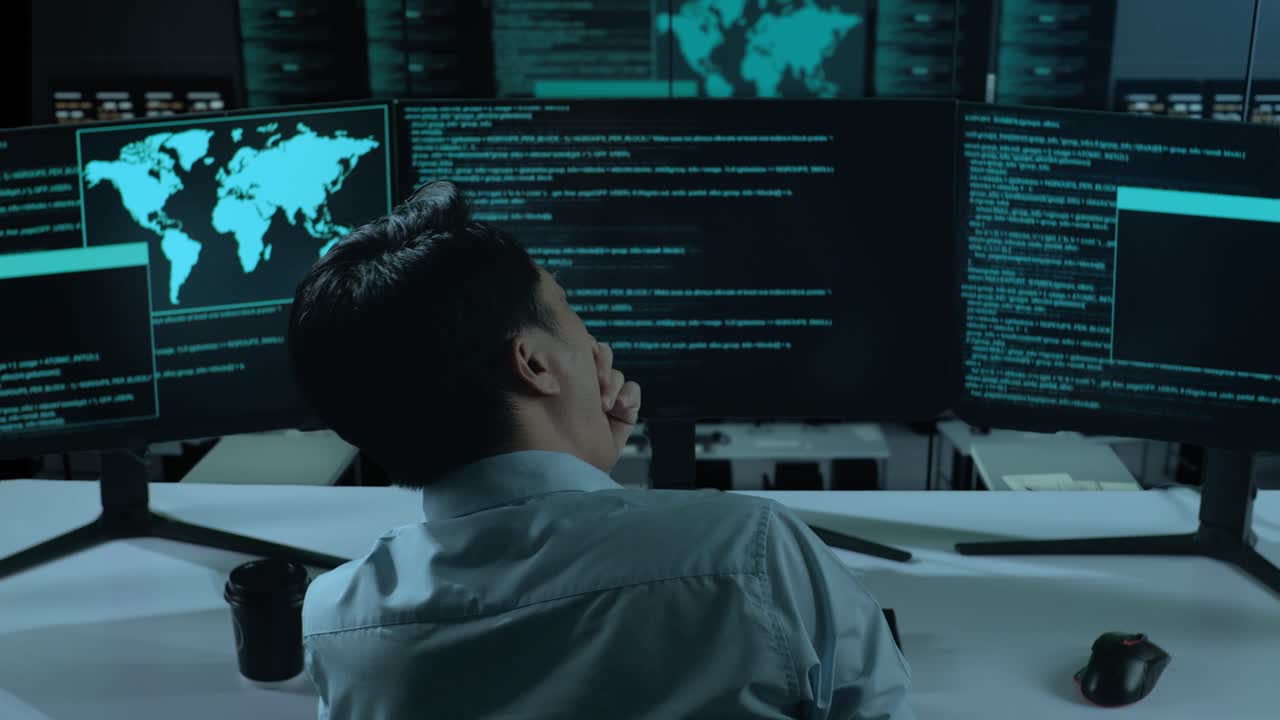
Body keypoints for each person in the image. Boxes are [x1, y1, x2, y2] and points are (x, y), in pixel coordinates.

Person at [288, 180, 913, 719]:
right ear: (534, 364)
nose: (597, 348)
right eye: (567, 309)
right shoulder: (750, 551)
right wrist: (579, 479)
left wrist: (577, 469)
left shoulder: (339, 620)